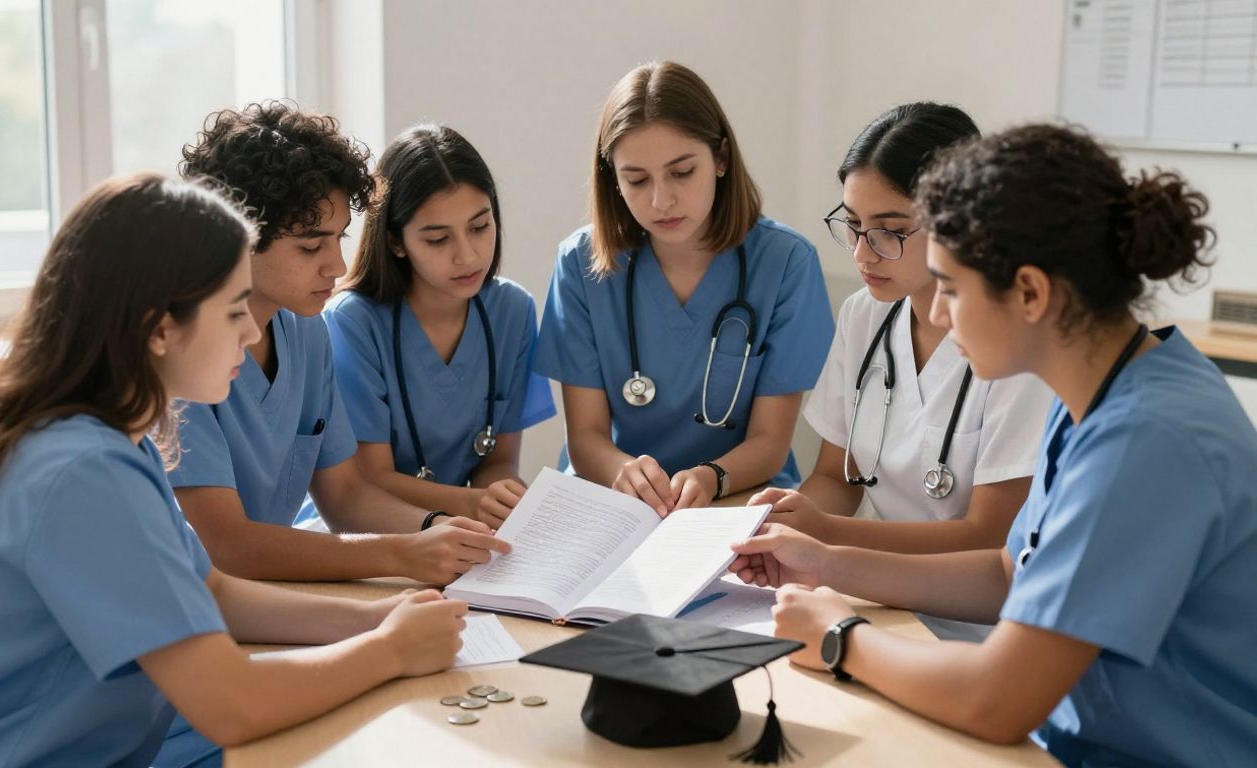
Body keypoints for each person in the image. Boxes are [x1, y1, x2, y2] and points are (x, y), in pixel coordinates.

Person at [0, 175, 468, 767]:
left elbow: (209, 592)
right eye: (234, 310)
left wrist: (376, 618)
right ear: (159, 328)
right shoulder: (83, 471)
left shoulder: (113, 435)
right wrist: (389, 652)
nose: (251, 332)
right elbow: (231, 705)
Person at [730, 124, 1257, 766]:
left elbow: (998, 702)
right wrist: (826, 563)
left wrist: (842, 637)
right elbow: (1011, 576)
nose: (941, 315)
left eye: (951, 288)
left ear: (1031, 293)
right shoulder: (1105, 386)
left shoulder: (1147, 439)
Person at [171, 102, 510, 585]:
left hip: (272, 589)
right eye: (311, 246)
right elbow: (227, 546)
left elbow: (346, 496)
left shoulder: (306, 330)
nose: (335, 265)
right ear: (234, 237)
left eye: (338, 238)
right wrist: (402, 556)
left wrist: (434, 530)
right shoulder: (178, 354)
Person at [753, 103, 1052, 640]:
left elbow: (991, 538)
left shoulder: (1015, 347)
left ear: (957, 221)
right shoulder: (864, 314)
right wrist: (791, 520)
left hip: (974, 622)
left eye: (889, 231)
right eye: (852, 224)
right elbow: (835, 477)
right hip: (871, 593)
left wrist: (827, 539)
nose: (863, 254)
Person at [533, 61, 833, 517]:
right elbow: (586, 439)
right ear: (612, 178)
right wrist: (624, 471)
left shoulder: (786, 263)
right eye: (636, 180)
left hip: (735, 497)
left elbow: (770, 444)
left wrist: (711, 477)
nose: (661, 200)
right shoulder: (581, 264)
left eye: (681, 172)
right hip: (613, 502)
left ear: (721, 160)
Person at [319, 124, 555, 530]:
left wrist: (502, 498)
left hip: (462, 531)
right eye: (437, 239)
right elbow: (371, 480)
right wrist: (475, 504)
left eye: (480, 227)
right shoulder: (352, 323)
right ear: (396, 242)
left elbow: (497, 462)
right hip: (374, 536)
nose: (467, 256)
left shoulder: (512, 310)